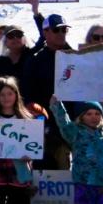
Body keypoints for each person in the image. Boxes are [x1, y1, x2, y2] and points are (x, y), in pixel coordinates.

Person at [25, 13, 75, 169]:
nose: (61, 34)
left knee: (67, 173)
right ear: (45, 32)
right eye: (56, 30)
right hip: (45, 128)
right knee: (44, 172)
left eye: (64, 30)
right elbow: (28, 95)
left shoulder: (77, 57)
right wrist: (41, 123)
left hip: (72, 126)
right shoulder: (35, 60)